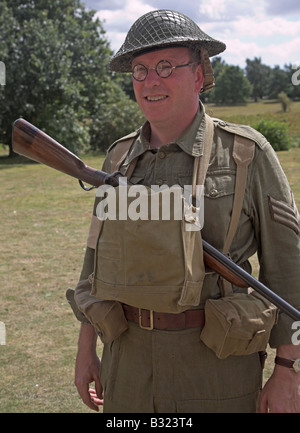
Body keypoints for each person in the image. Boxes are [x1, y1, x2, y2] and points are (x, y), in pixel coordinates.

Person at [69, 10, 300, 413]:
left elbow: (288, 268)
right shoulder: (119, 158)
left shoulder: (245, 154)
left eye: (165, 66)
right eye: (139, 70)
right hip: (128, 367)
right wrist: (86, 346)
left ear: (199, 75)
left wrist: (288, 370)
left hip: (215, 369)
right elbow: (96, 260)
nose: (150, 80)